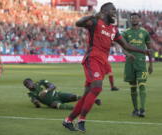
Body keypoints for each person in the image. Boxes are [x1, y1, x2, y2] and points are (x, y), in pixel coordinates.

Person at [62, 2, 151, 132]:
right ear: (104, 11)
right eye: (112, 10)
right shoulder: (94, 22)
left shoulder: (113, 29)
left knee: (88, 93)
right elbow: (78, 23)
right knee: (97, 88)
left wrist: (143, 51)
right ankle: (81, 120)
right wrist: (92, 15)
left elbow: (126, 46)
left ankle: (68, 120)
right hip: (92, 59)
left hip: (103, 63)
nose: (115, 12)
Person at [122, 13, 153, 117]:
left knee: (142, 85)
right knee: (133, 87)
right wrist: (128, 54)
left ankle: (142, 110)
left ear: (139, 19)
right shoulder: (125, 33)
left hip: (141, 63)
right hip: (129, 63)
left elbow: (149, 50)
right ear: (130, 20)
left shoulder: (145, 33)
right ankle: (135, 110)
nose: (134, 19)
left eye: (136, 18)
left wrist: (151, 64)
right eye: (132, 18)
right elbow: (123, 48)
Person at [23, 78, 101, 109]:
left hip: (58, 95)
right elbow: (37, 104)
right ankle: (79, 109)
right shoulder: (31, 93)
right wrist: (36, 103)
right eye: (26, 85)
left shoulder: (41, 82)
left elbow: (53, 86)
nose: (28, 86)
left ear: (32, 82)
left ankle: (93, 100)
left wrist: (46, 90)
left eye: (28, 83)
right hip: (52, 102)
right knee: (57, 105)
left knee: (74, 97)